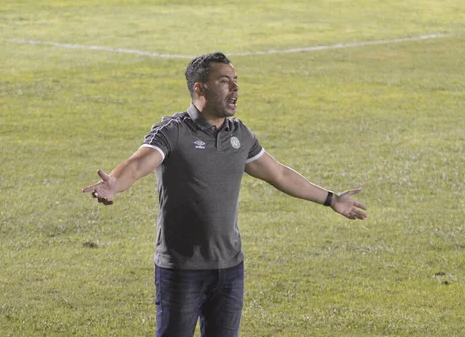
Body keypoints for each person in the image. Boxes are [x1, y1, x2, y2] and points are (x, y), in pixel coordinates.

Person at [82, 52, 367, 337]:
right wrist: (114, 183)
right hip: (182, 269)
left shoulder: (239, 135)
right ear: (200, 87)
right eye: (224, 81)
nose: (235, 88)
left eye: (235, 81)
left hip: (230, 267)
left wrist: (331, 199)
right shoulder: (174, 131)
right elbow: (138, 163)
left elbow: (279, 174)